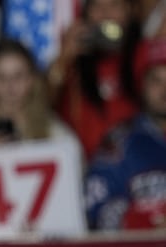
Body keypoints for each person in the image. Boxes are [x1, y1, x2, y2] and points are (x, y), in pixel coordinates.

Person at [84, 38, 166, 230]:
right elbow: (95, 208)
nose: (164, 89)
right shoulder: (119, 141)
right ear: (141, 85)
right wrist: (145, 220)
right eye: (156, 80)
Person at [48, 0, 144, 160]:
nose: (106, 14)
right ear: (85, 15)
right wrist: (63, 60)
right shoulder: (71, 64)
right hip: (84, 167)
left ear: (130, 11)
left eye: (114, 5)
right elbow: (40, 106)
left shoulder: (143, 56)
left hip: (138, 166)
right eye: (97, 7)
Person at [0, 39, 78, 152]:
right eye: (1, 77)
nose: (10, 86)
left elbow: (74, 169)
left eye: (18, 76)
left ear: (32, 80)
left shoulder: (56, 134)